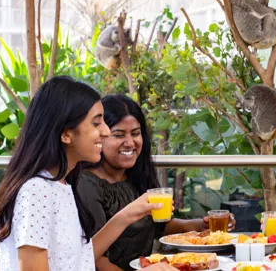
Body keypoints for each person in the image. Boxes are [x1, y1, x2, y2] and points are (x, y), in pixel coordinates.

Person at [0, 76, 175, 271]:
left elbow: (78, 260)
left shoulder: (62, 184)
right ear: (66, 134)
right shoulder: (36, 190)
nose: (106, 131)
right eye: (96, 123)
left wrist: (127, 215)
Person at [78, 94, 235, 271]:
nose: (130, 143)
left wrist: (201, 225)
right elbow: (94, 258)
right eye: (119, 135)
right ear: (101, 136)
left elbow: (161, 225)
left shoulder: (136, 175)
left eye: (135, 133)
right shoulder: (87, 184)